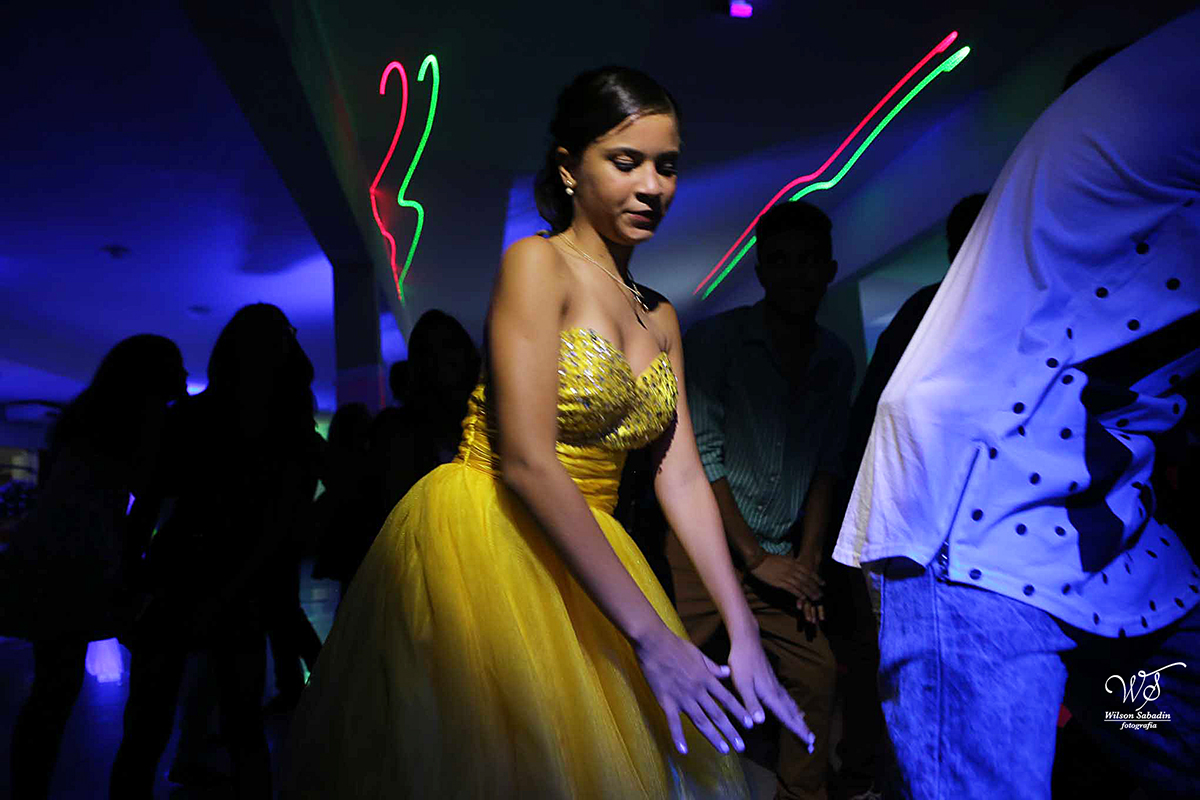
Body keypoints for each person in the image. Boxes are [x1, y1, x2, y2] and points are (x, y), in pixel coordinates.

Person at [280, 66, 814, 799]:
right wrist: (653, 636)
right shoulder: (537, 264)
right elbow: (529, 462)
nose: (652, 186)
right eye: (626, 162)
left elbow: (681, 472)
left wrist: (742, 627)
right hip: (492, 538)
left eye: (667, 166)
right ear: (569, 168)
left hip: (594, 546)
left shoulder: (659, 317)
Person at [833, 9, 1200, 799]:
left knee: (1153, 743)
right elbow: (867, 424)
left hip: (1114, 546)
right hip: (979, 541)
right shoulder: (935, 306)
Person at [667, 199, 853, 800]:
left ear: (828, 267)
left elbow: (826, 469)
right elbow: (704, 456)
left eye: (807, 261)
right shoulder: (718, 341)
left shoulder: (834, 359)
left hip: (778, 553)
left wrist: (807, 567)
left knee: (816, 676)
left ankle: (799, 795)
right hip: (705, 546)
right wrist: (753, 558)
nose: (795, 273)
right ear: (760, 269)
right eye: (779, 261)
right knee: (678, 671)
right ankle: (649, 782)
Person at [110, 303, 317, 800]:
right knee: (241, 728)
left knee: (147, 730)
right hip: (235, 585)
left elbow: (148, 507)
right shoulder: (290, 435)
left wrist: (128, 585)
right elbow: (276, 527)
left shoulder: (191, 419)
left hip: (179, 575)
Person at [1, 334, 186, 799]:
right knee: (56, 689)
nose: (182, 377)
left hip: (46, 549)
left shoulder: (86, 413)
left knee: (51, 689)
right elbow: (147, 491)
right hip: (79, 559)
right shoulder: (143, 417)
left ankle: (28, 789)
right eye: (175, 369)